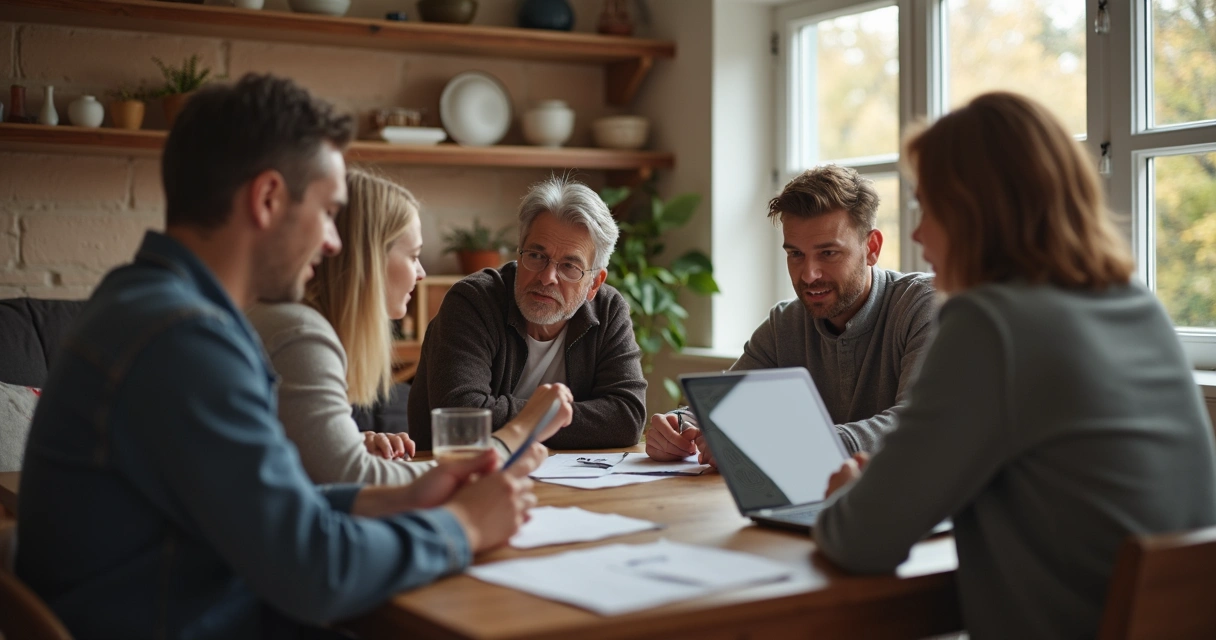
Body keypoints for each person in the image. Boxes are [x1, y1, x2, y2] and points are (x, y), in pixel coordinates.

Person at [15, 74, 569, 639]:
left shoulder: (138, 302)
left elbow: (266, 512)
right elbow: (312, 570)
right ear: (268, 199)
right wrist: (461, 526)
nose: (333, 242)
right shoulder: (186, 342)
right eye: (328, 212)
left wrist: (398, 496)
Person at [814, 92, 1216, 639]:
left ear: (977, 212)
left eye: (930, 207)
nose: (918, 234)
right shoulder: (1134, 304)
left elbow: (862, 541)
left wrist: (846, 500)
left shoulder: (991, 324)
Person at [247, 168, 572, 485]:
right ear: (370, 260)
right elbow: (359, 481)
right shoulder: (302, 337)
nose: (421, 273)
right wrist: (520, 430)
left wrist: (352, 444)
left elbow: (302, 464)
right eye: (413, 255)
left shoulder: (306, 330)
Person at [647, 165, 936, 463]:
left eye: (828, 253)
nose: (809, 275)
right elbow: (719, 406)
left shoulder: (924, 305)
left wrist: (788, 445)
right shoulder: (785, 324)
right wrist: (678, 427)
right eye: (795, 254)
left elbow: (917, 423)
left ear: (872, 247)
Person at [407, 175, 647, 450]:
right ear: (519, 254)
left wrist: (513, 418)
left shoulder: (608, 310)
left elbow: (627, 418)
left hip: (569, 483)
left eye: (570, 266)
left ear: (594, 283)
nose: (547, 277)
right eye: (536, 255)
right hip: (456, 479)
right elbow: (462, 418)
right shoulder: (473, 301)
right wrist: (552, 417)